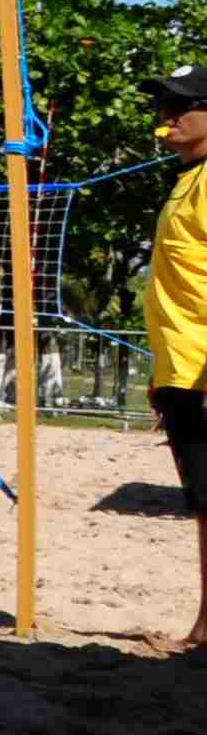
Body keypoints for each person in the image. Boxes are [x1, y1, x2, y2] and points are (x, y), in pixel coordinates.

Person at [142, 66, 207, 653]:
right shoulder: (189, 179)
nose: (166, 114)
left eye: (181, 105)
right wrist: (162, 377)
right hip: (183, 370)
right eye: (164, 103)